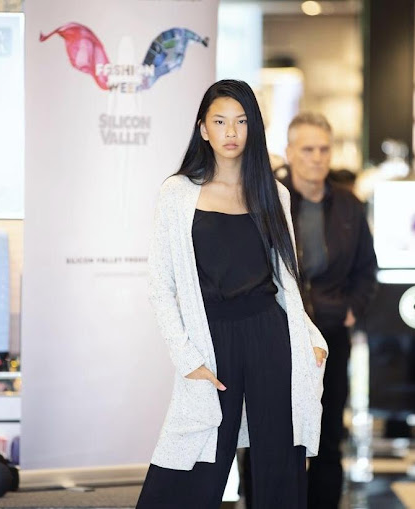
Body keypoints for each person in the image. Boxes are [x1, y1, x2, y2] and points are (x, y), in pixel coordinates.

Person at [135, 81, 328, 509]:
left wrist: (310, 337)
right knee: (190, 464)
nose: (230, 132)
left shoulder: (273, 194)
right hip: (212, 337)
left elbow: (286, 280)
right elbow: (160, 285)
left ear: (253, 129)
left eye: (241, 122)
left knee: (280, 463)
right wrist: (187, 358)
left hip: (270, 336)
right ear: (203, 129)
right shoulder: (177, 194)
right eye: (220, 121)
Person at [283, 113, 377, 509]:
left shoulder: (348, 206)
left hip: (332, 335)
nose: (317, 158)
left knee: (326, 435)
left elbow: (366, 269)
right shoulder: (269, 199)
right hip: (281, 336)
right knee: (274, 434)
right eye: (308, 149)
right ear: (289, 153)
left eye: (324, 149)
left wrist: (351, 311)